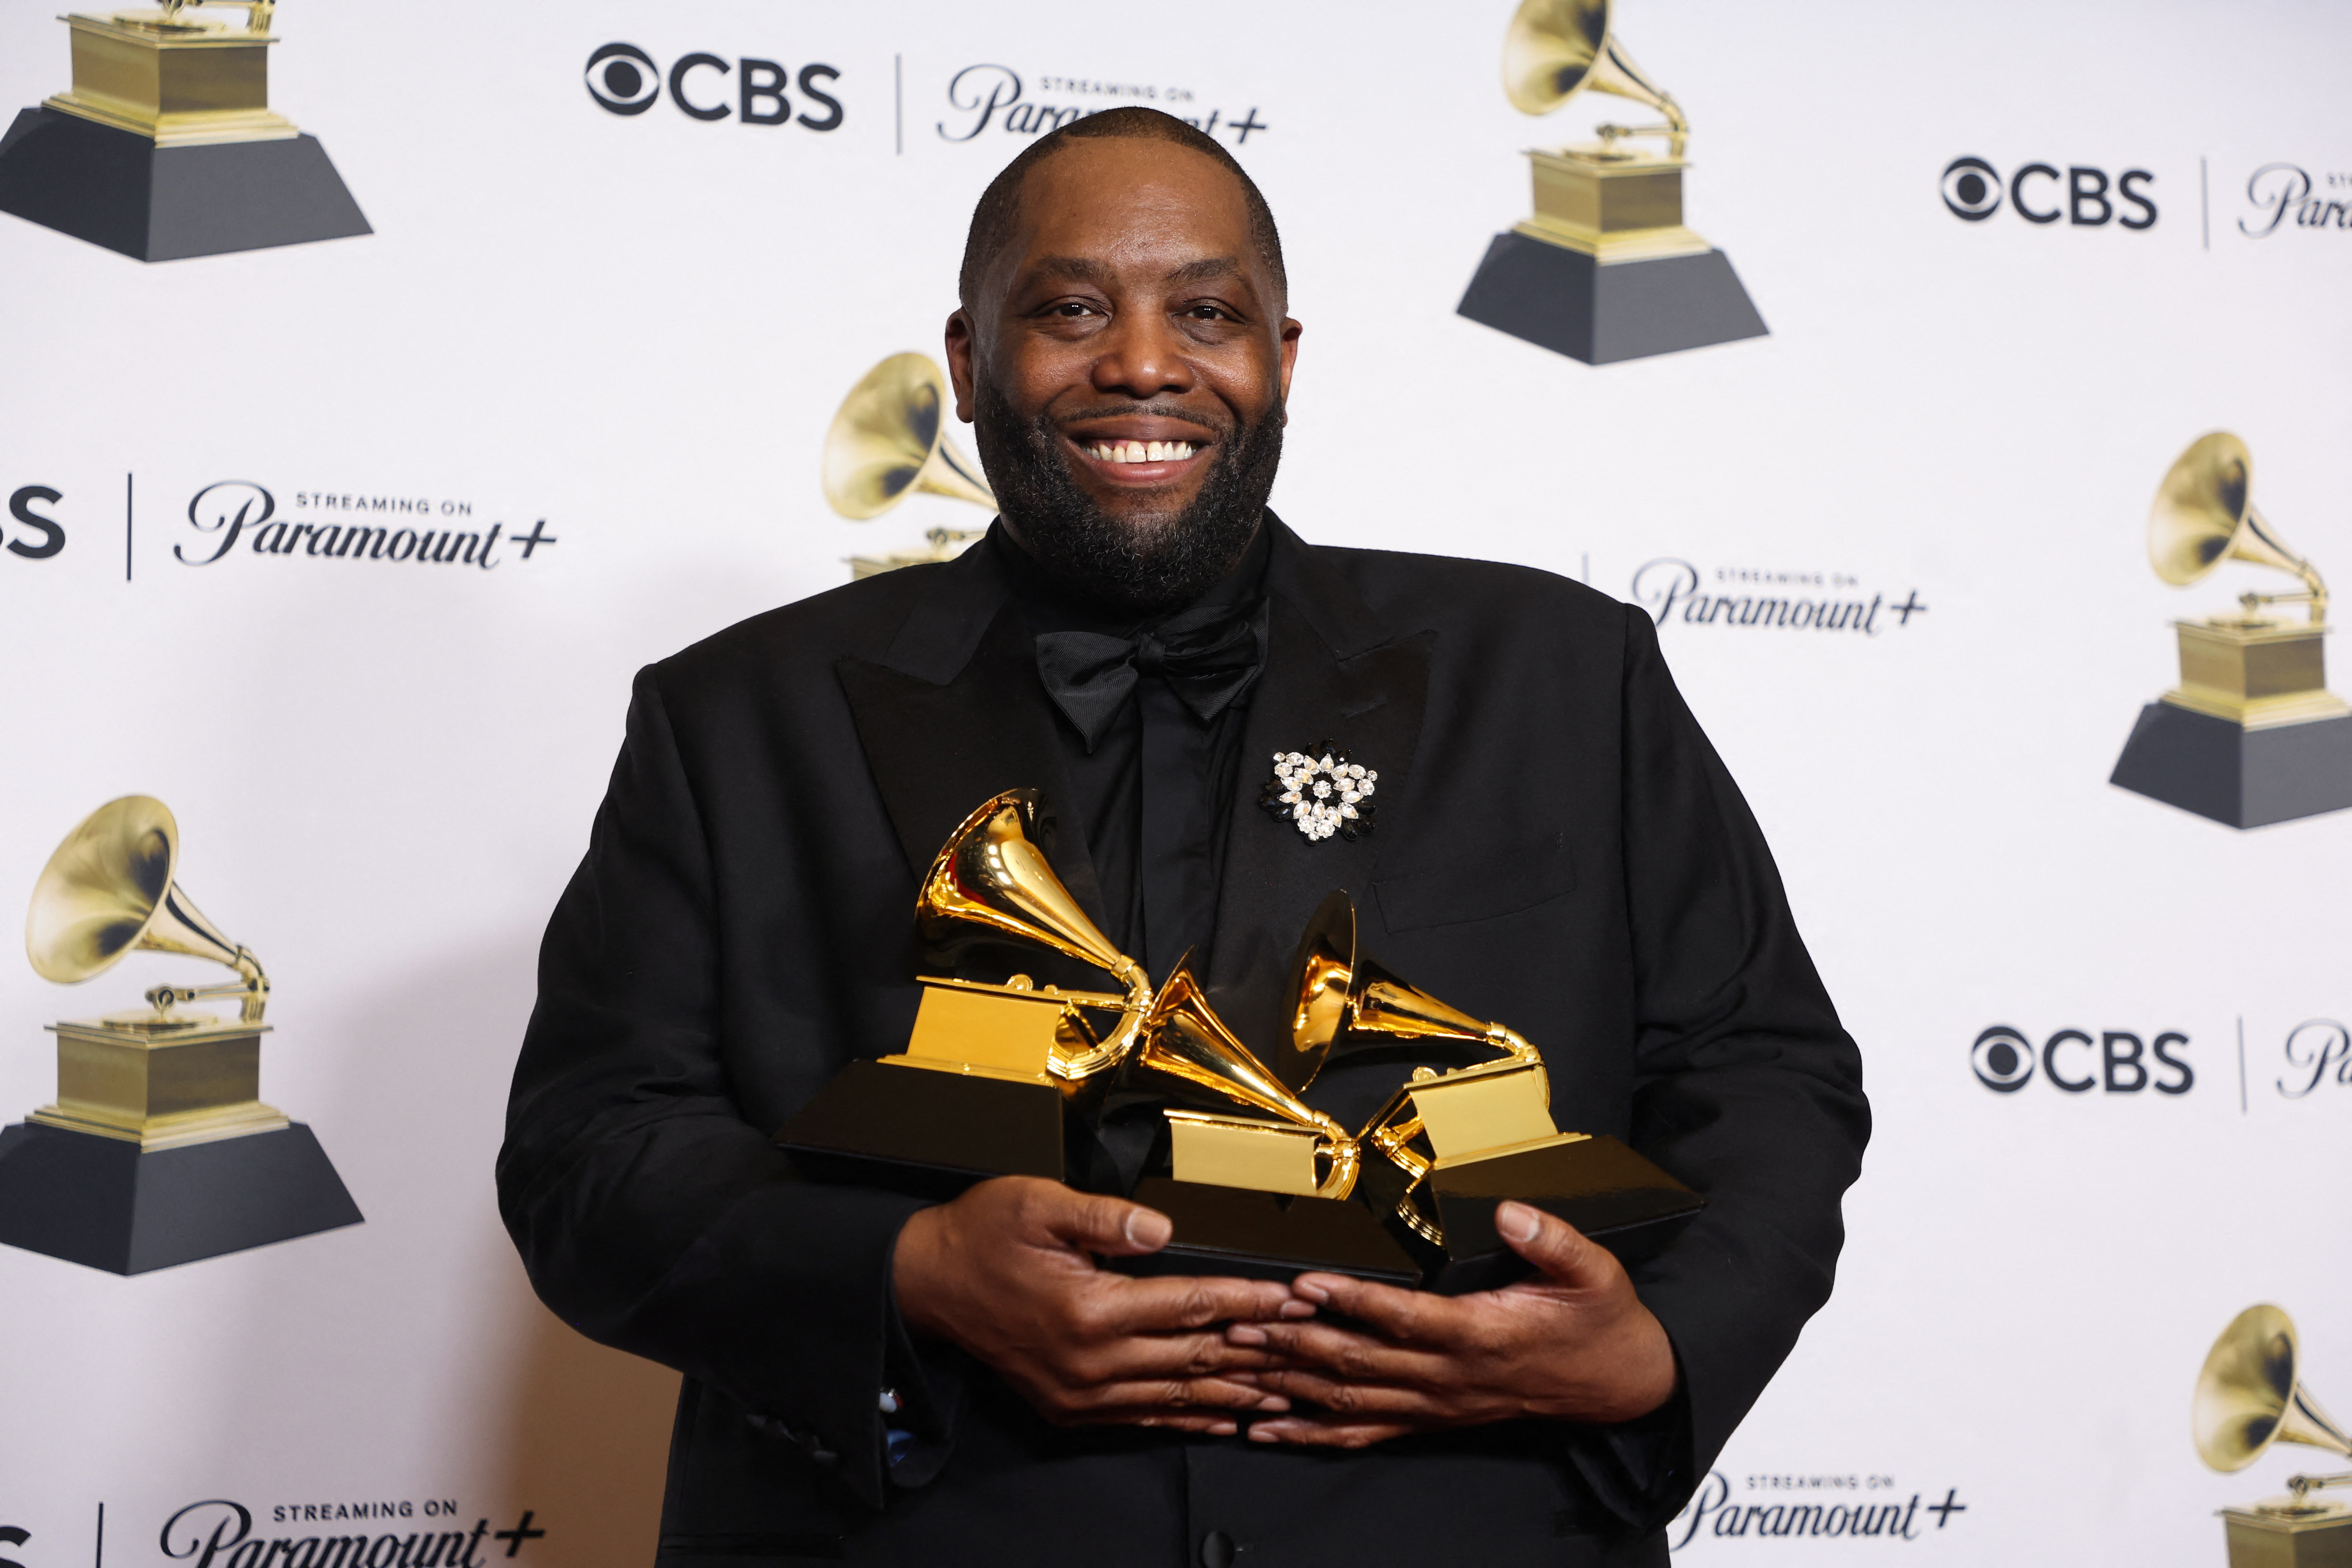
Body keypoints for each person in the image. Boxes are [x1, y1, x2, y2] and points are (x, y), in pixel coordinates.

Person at [498, 107, 1868, 1568]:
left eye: (1206, 312)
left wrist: (1659, 1346)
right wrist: (909, 1272)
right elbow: (590, 1157)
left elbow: (1764, 1073)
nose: (1143, 362)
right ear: (968, 366)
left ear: (1282, 360)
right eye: (1070, 309)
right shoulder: (734, 717)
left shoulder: (1562, 673)